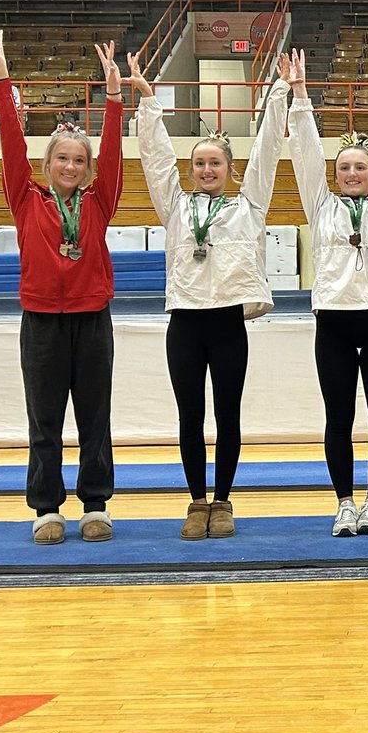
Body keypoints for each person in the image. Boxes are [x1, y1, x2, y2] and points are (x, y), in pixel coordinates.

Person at [127, 50, 291, 541]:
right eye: (198, 163)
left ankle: (223, 500)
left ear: (229, 167)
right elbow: (155, 162)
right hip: (185, 322)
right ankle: (196, 499)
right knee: (189, 415)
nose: (205, 169)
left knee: (228, 413)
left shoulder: (249, 205)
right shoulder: (176, 207)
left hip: (226, 322)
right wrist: (149, 105)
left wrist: (280, 93)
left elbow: (267, 154)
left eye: (214, 162)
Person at [0, 26, 122, 545]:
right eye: (62, 158)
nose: (71, 165)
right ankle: (46, 509)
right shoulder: (26, 200)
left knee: (94, 416)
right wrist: (2, 78)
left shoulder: (99, 201)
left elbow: (113, 155)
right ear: (47, 165)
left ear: (87, 170)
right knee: (44, 420)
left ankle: (95, 504)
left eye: (79, 160)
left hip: (91, 318)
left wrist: (112, 97)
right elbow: (11, 147)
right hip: (40, 319)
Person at [287, 49, 368, 537]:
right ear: (335, 173)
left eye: (360, 167)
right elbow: (303, 153)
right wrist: (300, 96)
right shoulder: (319, 204)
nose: (351, 173)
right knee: (338, 416)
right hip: (335, 321)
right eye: (343, 167)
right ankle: (344, 502)